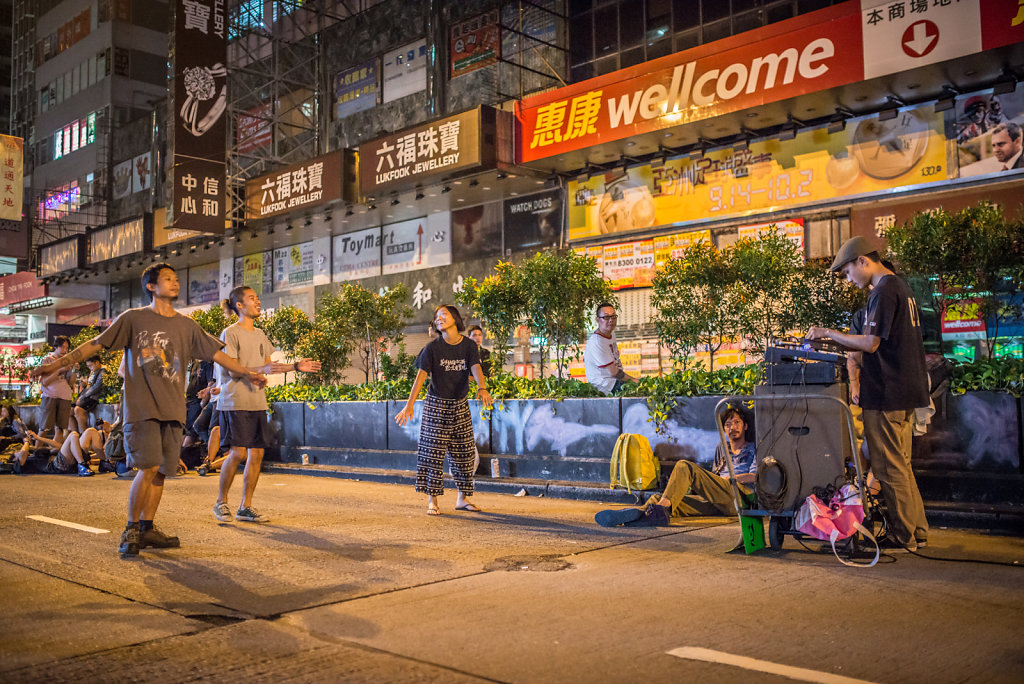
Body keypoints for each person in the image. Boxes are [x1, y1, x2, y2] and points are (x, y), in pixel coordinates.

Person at [31, 263, 267, 558]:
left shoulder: (186, 325)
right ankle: (130, 528)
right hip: (142, 409)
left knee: (161, 473)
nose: (174, 282)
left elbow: (218, 355)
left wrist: (247, 373)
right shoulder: (133, 319)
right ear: (151, 286)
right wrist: (53, 365)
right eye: (167, 279)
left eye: (175, 277)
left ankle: (147, 527)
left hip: (172, 409)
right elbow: (95, 344)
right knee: (148, 467)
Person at [806, 236, 930, 552]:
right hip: (905, 391)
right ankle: (917, 529)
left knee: (888, 466)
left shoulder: (884, 291)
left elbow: (871, 343)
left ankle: (903, 535)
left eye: (848, 273)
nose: (849, 280)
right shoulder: (900, 287)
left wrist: (828, 333)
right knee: (900, 463)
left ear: (863, 261)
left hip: (888, 392)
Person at [213, 287, 320, 524]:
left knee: (257, 454)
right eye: (252, 298)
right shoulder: (230, 333)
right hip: (234, 401)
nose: (258, 302)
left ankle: (245, 507)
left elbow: (266, 366)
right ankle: (221, 502)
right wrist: (258, 372)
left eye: (258, 298)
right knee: (237, 453)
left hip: (256, 402)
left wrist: (294, 366)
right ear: (239, 305)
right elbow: (230, 368)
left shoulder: (261, 335)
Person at [395, 305, 493, 515]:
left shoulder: (468, 345)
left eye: (444, 315)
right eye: (436, 317)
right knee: (433, 454)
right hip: (436, 405)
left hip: (460, 404)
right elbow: (421, 376)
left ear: (455, 318)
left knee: (465, 454)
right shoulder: (432, 348)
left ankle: (462, 499)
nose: (439, 319)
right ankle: (433, 501)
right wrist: (409, 405)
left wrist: (482, 387)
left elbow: (475, 366)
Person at [595, 406, 756, 527]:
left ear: (745, 426)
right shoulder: (722, 448)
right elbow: (715, 475)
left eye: (736, 423)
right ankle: (641, 514)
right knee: (661, 499)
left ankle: (652, 514)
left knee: (684, 466)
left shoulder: (752, 448)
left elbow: (755, 476)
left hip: (740, 497)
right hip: (717, 499)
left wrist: (730, 479)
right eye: (728, 425)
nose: (732, 428)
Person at [584, 303, 636, 394]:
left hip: (614, 381)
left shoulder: (611, 333)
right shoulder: (597, 342)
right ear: (597, 320)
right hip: (605, 386)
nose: (611, 320)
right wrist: (635, 380)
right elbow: (614, 372)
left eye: (613, 316)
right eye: (606, 317)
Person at [39, 335, 75, 446]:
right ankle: (37, 451)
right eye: (63, 347)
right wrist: (61, 370)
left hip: (65, 396)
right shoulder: (47, 360)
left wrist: (73, 370)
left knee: (60, 428)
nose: (65, 350)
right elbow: (45, 381)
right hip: (49, 396)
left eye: (67, 348)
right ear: (56, 347)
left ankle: (55, 451)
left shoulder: (67, 361)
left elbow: (70, 382)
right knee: (44, 428)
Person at [73, 355, 106, 432]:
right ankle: (74, 434)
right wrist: (85, 385)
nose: (89, 368)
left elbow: (97, 387)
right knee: (69, 411)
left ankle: (84, 434)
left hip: (92, 398)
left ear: (97, 363)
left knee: (78, 410)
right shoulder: (93, 372)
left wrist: (83, 397)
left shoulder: (103, 371)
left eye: (90, 366)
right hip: (86, 396)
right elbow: (90, 385)